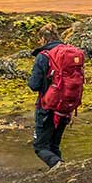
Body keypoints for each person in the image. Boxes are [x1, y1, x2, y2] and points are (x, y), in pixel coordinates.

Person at [28, 24, 85, 169]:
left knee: (40, 146)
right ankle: (61, 172)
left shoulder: (44, 56)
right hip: (66, 107)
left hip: (48, 106)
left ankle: (58, 165)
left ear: (43, 38)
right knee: (53, 144)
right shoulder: (70, 54)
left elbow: (34, 85)